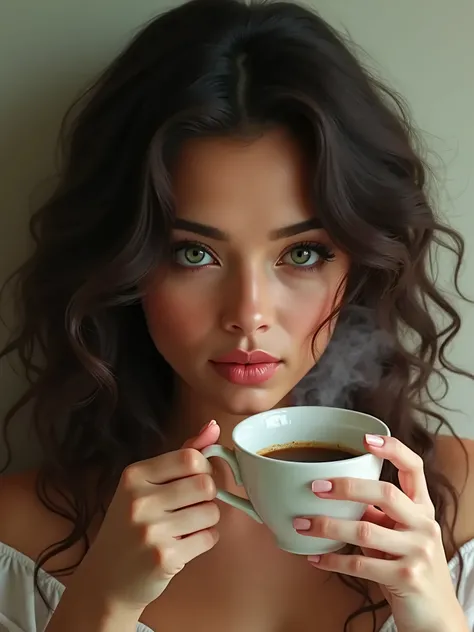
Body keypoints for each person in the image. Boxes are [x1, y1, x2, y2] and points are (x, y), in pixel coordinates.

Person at [0, 0, 473, 630]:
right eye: (194, 253)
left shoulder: (465, 507)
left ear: (358, 265)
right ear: (126, 264)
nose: (249, 315)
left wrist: (435, 618)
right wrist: (101, 604)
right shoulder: (20, 536)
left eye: (302, 253)